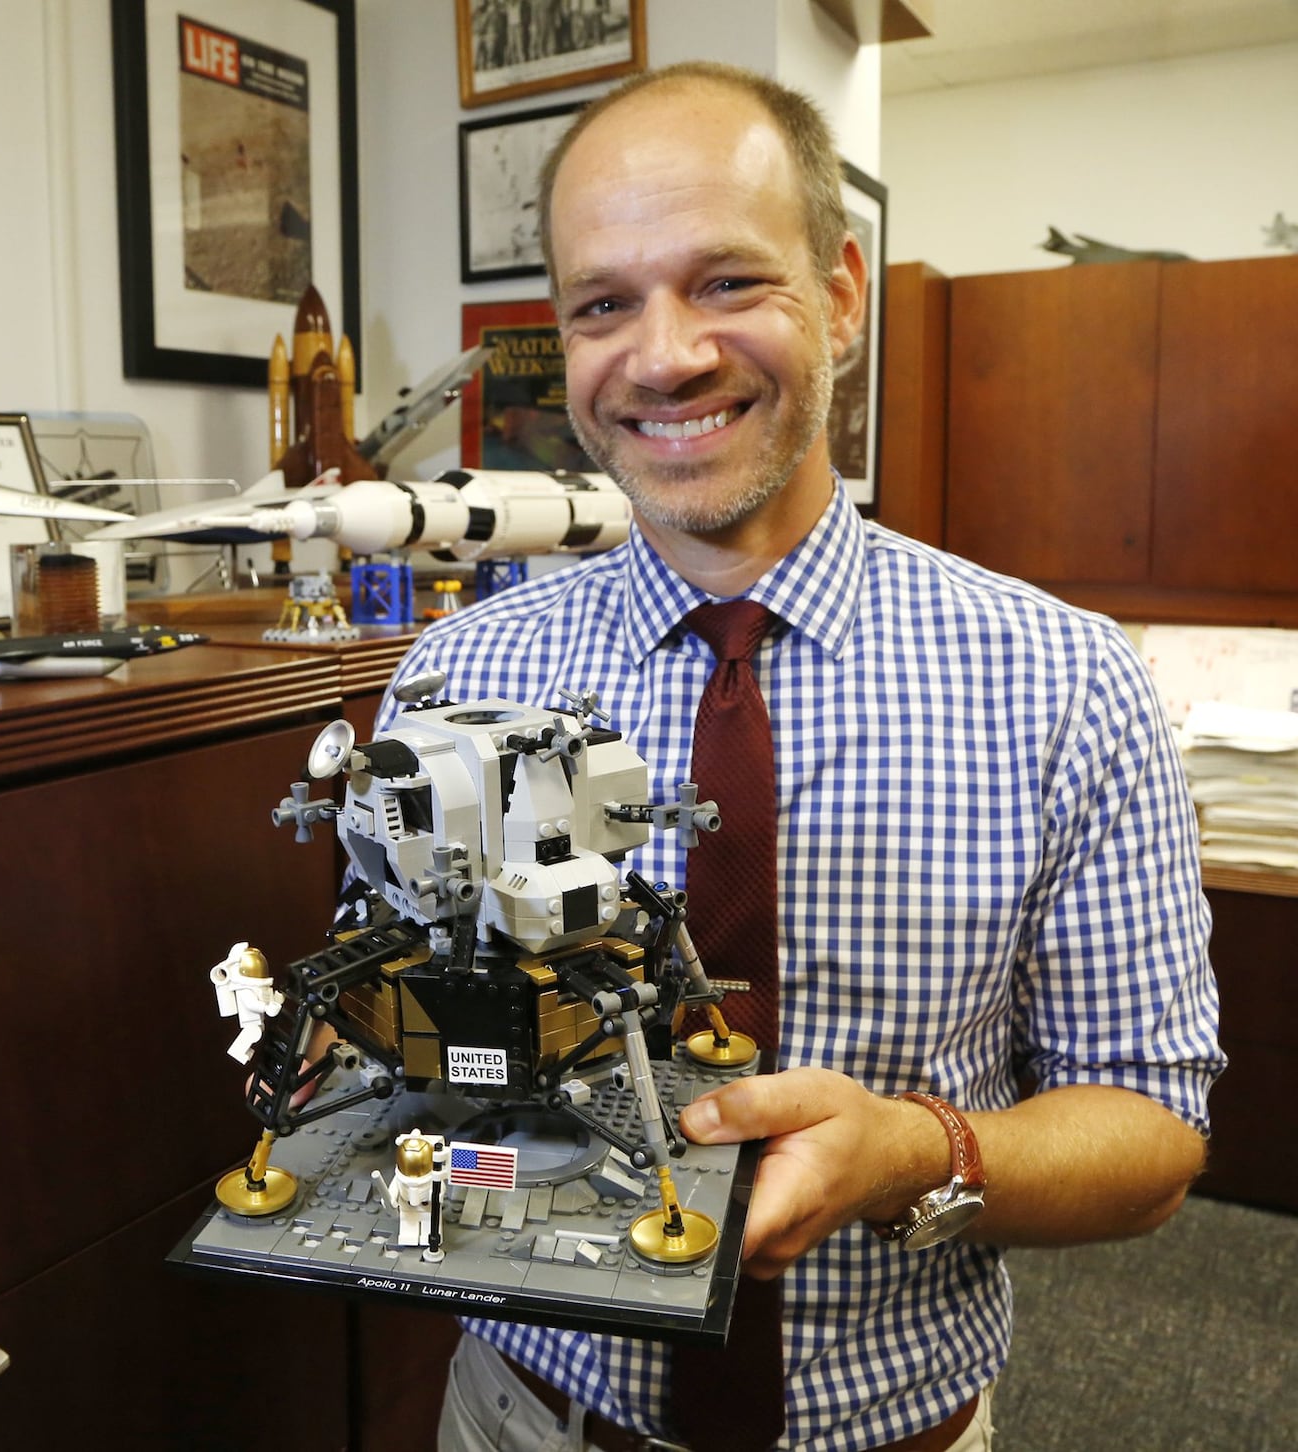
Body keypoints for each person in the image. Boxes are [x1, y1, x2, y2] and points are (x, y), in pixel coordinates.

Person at [375, 61, 1225, 1452]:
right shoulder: (457, 678)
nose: (663, 356)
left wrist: (917, 1154)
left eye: (724, 281)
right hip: (525, 1418)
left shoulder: (1064, 682)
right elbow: (393, 1036)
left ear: (839, 295)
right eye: (605, 305)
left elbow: (1151, 1138)